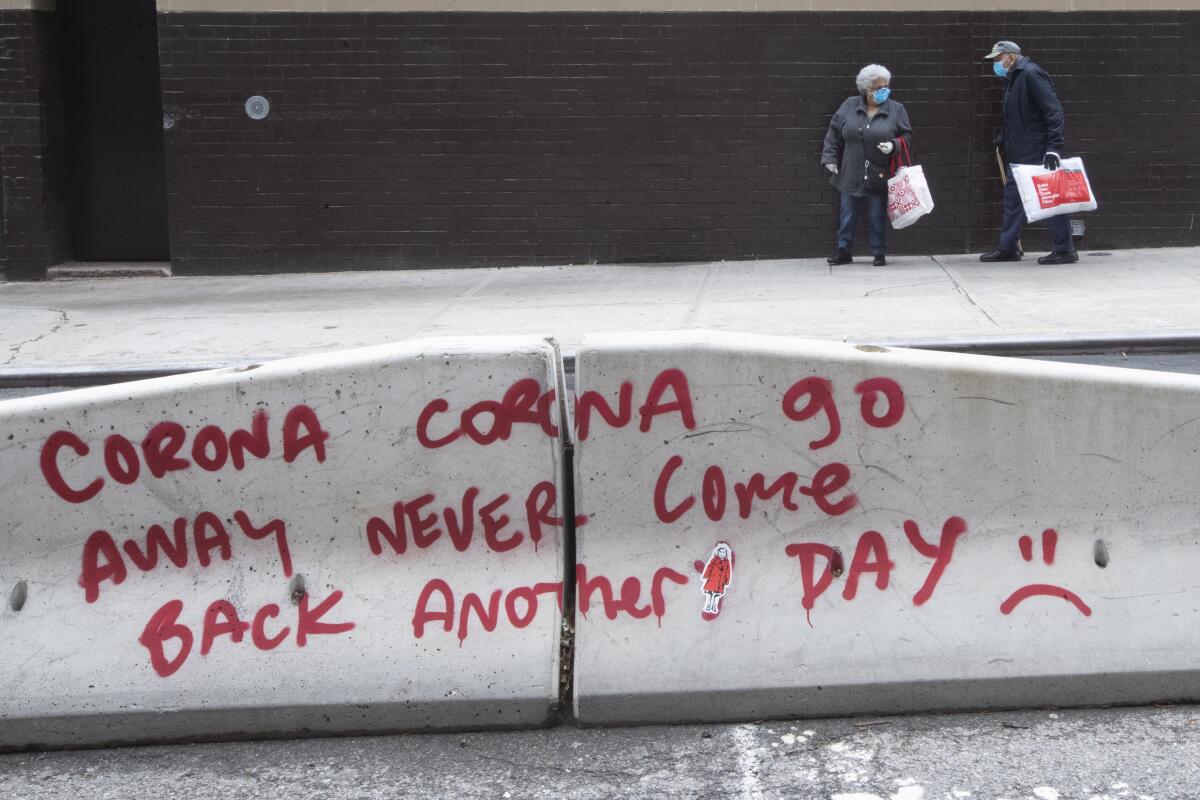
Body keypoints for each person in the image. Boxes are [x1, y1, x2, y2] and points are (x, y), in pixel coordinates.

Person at [980, 40, 1078, 265]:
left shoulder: (1031, 75)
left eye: (998, 59)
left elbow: (1053, 112)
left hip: (1037, 152)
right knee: (1013, 201)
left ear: (1010, 56)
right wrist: (1005, 136)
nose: (996, 64)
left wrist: (1053, 149)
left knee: (1051, 199)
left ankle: (1064, 249)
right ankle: (1008, 247)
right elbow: (1021, 115)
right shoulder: (1012, 79)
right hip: (1019, 152)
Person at [821, 64, 914, 267]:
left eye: (887, 86)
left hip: (879, 172)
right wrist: (829, 158)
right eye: (880, 87)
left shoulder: (896, 109)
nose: (885, 91)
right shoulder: (849, 105)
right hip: (850, 170)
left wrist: (893, 145)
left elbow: (906, 136)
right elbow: (834, 134)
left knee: (876, 213)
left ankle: (878, 252)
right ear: (866, 89)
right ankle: (843, 250)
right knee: (847, 213)